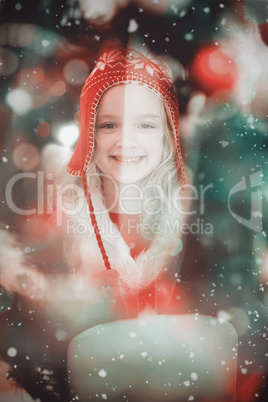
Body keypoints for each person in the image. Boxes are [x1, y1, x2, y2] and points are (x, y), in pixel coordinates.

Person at [62, 46, 186, 315]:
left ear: (168, 134)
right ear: (88, 135)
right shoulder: (65, 218)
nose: (126, 141)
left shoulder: (191, 214)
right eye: (109, 125)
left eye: (145, 125)